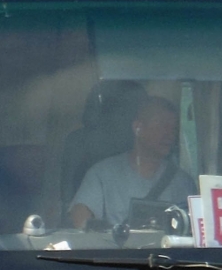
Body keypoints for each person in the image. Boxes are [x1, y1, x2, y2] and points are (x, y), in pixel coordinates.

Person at [68, 95, 195, 229]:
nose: (169, 134)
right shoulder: (102, 174)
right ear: (137, 128)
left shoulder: (183, 183)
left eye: (173, 128)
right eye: (161, 125)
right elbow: (80, 221)